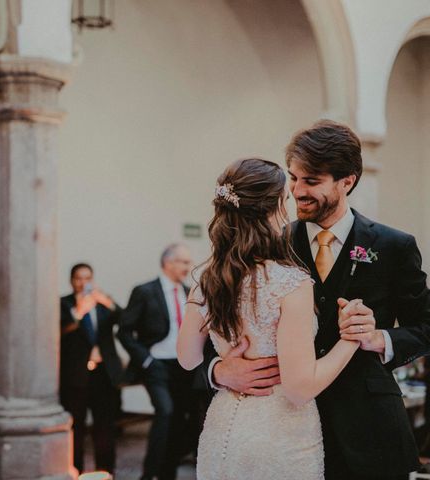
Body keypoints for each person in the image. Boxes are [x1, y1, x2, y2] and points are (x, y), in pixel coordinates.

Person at [206, 120, 430, 479]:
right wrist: (219, 371)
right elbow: (226, 317)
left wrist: (377, 337)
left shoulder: (394, 246)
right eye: (294, 178)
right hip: (287, 431)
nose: (297, 191)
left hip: (368, 427)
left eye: (312, 181)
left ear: (347, 181)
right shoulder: (271, 243)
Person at [178, 158, 360, 480]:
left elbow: (188, 357)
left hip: (222, 430)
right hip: (280, 436)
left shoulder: (206, 278)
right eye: (284, 201)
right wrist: (350, 341)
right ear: (271, 210)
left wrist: (217, 369)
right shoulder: (289, 283)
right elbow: (299, 389)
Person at [118, 244, 200, 480]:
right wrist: (146, 360)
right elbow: (124, 331)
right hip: (157, 366)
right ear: (168, 263)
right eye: (184, 262)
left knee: (180, 418)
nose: (188, 267)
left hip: (184, 367)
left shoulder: (189, 292)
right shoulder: (145, 291)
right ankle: (149, 474)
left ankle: (167, 474)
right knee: (165, 412)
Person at [59, 263, 123, 475]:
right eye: (79, 278)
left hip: (104, 373)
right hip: (75, 375)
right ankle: (74, 470)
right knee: (75, 426)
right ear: (71, 281)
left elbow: (126, 320)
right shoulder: (64, 303)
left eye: (88, 278)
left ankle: (105, 471)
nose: (83, 283)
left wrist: (108, 303)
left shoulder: (102, 302)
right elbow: (58, 331)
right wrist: (78, 312)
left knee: (105, 425)